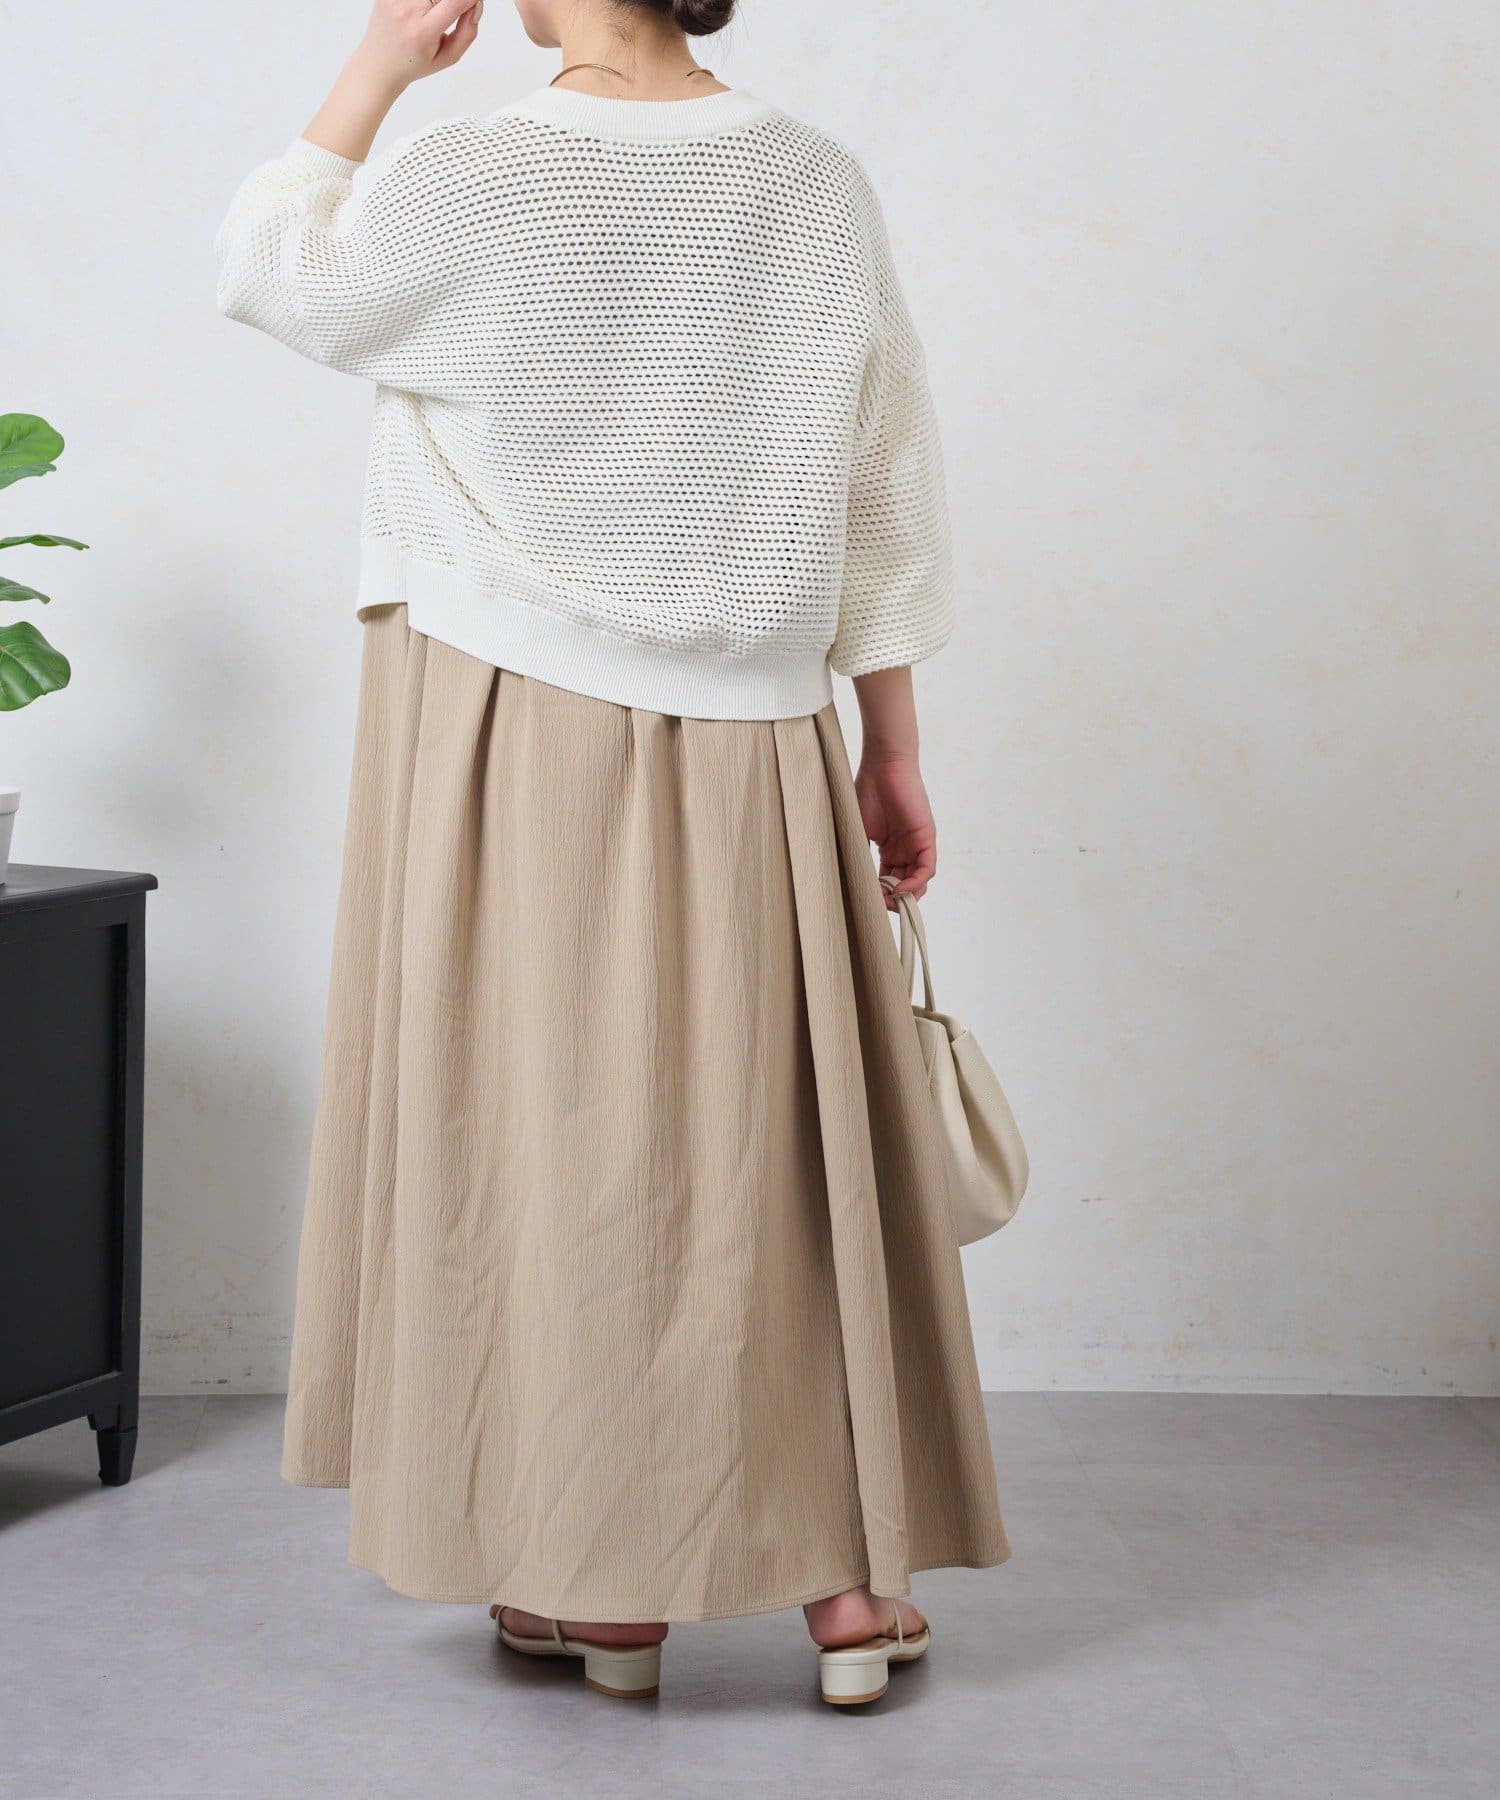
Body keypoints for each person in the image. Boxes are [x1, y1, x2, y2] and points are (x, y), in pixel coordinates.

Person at [214, 0, 1007, 1708]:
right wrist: (893, 745)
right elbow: (881, 485)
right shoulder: (813, 181)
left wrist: (377, 64)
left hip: (503, 724)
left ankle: (608, 1585)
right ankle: (849, 1591)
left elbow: (274, 269)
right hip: (758, 726)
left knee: (550, 1136)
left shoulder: (482, 169)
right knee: (777, 1142)